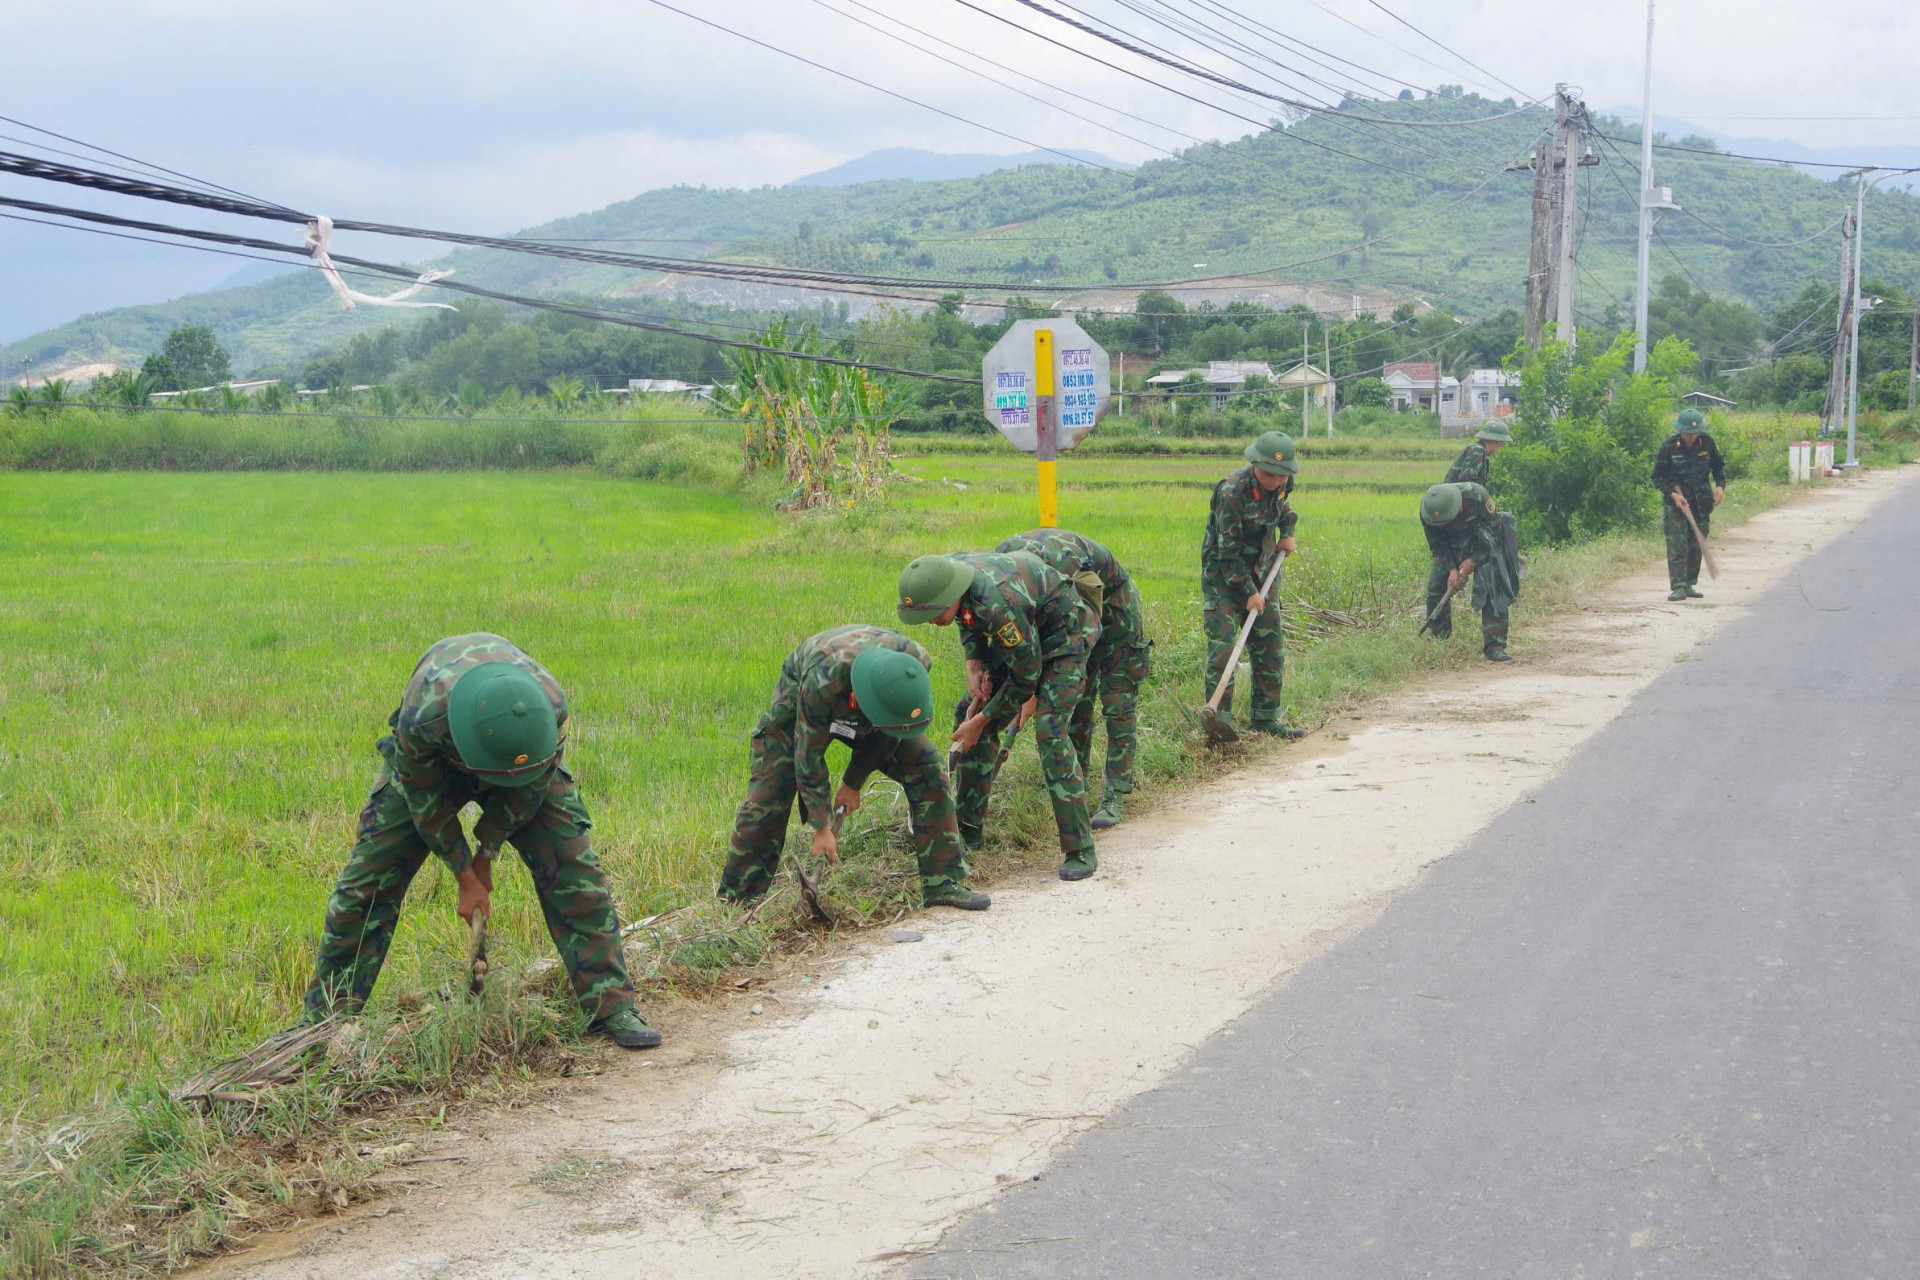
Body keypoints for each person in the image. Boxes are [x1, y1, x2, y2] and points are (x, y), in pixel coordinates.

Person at [302, 633, 658, 1049]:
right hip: (437, 761)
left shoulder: (549, 707)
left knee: (577, 871)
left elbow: (530, 789)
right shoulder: (423, 716)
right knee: (367, 883)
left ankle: (610, 1005)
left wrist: (487, 852)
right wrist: (464, 872)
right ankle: (323, 1024)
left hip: (524, 771)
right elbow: (424, 800)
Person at [716, 625, 988, 911]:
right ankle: (738, 901)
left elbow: (894, 729)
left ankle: (942, 883)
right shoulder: (823, 682)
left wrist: (853, 782)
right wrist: (822, 827)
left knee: (929, 768)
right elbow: (807, 754)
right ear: (857, 701)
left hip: (876, 694)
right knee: (769, 795)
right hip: (802, 703)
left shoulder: (913, 664)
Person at [897, 551, 1101, 881]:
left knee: (1049, 730)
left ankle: (1080, 847)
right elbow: (969, 619)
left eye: (934, 614)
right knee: (968, 709)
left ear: (949, 595)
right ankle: (968, 827)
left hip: (1065, 635)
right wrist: (976, 666)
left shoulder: (998, 604)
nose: (932, 622)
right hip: (1025, 633)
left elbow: (1026, 677)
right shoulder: (946, 574)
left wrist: (983, 721)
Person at [995, 528, 1150, 830]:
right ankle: (1074, 781)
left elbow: (1083, 628)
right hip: (1070, 620)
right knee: (1076, 701)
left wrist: (1042, 687)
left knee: (1117, 702)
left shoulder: (1066, 567)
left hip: (1113, 615)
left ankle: (1115, 793)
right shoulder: (1002, 567)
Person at [1201, 431, 1304, 739]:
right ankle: (1221, 722)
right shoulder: (1232, 492)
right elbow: (1227, 553)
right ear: (1255, 464)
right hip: (1223, 576)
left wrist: (1288, 532)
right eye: (1268, 474)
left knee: (1269, 645)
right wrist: (1248, 593)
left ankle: (1265, 718)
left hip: (1264, 568)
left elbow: (1285, 511)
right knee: (1223, 648)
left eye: (1281, 475)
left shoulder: (1283, 483)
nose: (1275, 481)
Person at [1420, 482, 1520, 663]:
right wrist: (1452, 569)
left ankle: (1495, 646)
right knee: (1435, 588)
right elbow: (1437, 545)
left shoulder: (1478, 496)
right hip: (1452, 545)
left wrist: (1472, 561)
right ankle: (1438, 637)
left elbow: (1495, 534)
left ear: (1459, 505)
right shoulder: (1429, 512)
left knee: (1493, 589)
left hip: (1483, 542)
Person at [1651, 408, 1726, 602]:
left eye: (1695, 433)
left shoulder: (1708, 443)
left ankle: (1690, 583)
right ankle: (1678, 586)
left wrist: (1719, 487)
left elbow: (1719, 467)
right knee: (1677, 543)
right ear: (1680, 431)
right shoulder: (1668, 447)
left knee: (1696, 544)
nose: (1692, 437)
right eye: (1688, 433)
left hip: (1701, 502)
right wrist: (1673, 495)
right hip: (1675, 503)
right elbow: (1657, 478)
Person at [1445, 420, 1510, 487]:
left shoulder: (1480, 450)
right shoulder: (1478, 450)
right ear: (1496, 442)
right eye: (1501, 444)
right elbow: (1467, 481)